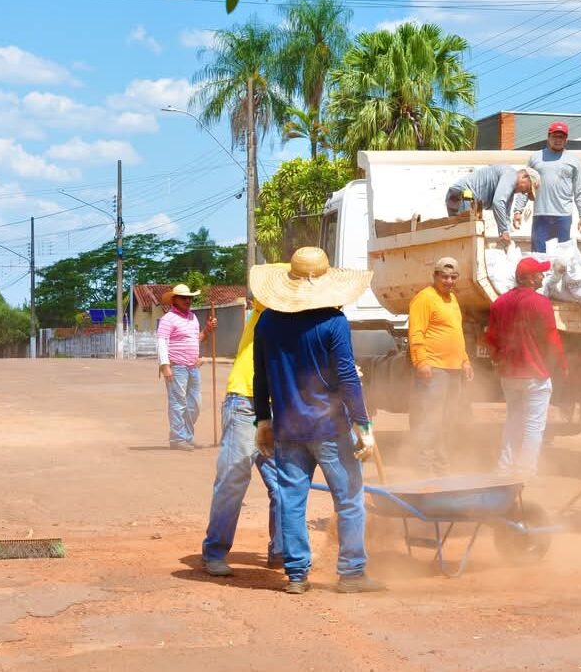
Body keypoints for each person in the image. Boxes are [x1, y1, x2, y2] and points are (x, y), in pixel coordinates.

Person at [251, 247, 385, 595]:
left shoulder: (267, 321)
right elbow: (346, 377)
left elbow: (260, 376)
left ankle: (296, 575)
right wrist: (364, 426)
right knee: (350, 498)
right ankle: (352, 573)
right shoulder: (333, 322)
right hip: (329, 427)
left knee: (292, 500)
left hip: (287, 428)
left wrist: (262, 421)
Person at [201, 294, 281, 577]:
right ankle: (215, 551)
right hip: (245, 402)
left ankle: (280, 550)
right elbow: (264, 287)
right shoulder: (267, 307)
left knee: (285, 484)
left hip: (280, 408)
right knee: (233, 479)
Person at [486, 257, 567, 478]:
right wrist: (561, 364)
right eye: (539, 273)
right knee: (534, 425)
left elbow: (491, 338)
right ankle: (525, 470)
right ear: (530, 279)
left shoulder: (499, 303)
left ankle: (504, 468)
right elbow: (551, 337)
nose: (543, 276)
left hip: (509, 375)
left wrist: (499, 360)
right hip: (534, 374)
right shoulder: (540, 303)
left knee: (513, 421)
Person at [408, 257, 474, 475]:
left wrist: (465, 360)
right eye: (444, 276)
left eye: (453, 277)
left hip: (453, 369)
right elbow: (416, 332)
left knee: (447, 419)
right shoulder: (424, 299)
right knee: (430, 418)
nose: (449, 281)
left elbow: (456, 333)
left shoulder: (452, 299)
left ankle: (441, 466)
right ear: (435, 275)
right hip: (434, 369)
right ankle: (424, 468)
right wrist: (421, 361)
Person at [157, 284, 216, 451]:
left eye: (190, 298)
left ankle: (187, 436)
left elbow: (197, 338)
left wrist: (208, 330)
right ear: (174, 300)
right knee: (178, 403)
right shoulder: (168, 319)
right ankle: (178, 438)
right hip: (176, 367)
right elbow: (162, 342)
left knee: (194, 404)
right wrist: (165, 365)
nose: (188, 300)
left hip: (192, 366)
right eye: (184, 298)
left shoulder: (192, 317)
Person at [527, 121, 581, 252]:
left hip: (563, 216)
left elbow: (580, 190)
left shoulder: (574, 161)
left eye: (561, 137)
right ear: (548, 137)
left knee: (562, 258)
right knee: (539, 256)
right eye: (555, 136)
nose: (558, 140)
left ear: (566, 139)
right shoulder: (535, 158)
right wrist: (517, 210)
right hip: (541, 215)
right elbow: (526, 185)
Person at [446, 165, 539, 244]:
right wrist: (503, 231)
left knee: (462, 239)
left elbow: (505, 214)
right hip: (463, 195)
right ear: (524, 176)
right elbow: (498, 202)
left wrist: (507, 237)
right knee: (467, 240)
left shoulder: (509, 187)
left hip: (459, 195)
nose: (523, 193)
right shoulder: (511, 175)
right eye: (527, 189)